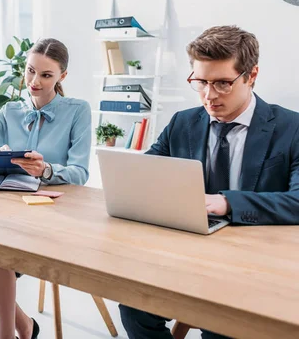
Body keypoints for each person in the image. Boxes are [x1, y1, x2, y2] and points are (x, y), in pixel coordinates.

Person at [118, 25, 299, 339]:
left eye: (223, 83)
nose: (209, 95)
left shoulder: (291, 128)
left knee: (222, 329)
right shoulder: (182, 122)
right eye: (200, 82)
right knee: (133, 305)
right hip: (188, 254)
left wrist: (228, 202)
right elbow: (144, 172)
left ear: (251, 75)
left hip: (255, 266)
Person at [0, 38, 92, 339]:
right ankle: (25, 327)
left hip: (57, 214)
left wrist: (46, 170)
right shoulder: (10, 112)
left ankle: (7, 333)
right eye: (31, 71)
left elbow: (80, 173)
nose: (34, 81)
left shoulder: (78, 111)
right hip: (12, 210)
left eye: (46, 75)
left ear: (62, 77)